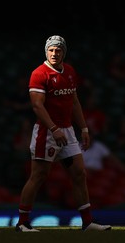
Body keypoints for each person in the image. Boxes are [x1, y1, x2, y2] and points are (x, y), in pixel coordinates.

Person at [15, 35, 111, 232]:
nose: (54, 53)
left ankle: (87, 223)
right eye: (51, 50)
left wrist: (83, 128)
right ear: (46, 51)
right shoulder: (39, 74)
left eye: (58, 50)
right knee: (38, 176)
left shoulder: (69, 72)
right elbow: (37, 106)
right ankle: (22, 223)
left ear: (63, 52)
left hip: (67, 131)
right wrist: (54, 129)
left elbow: (74, 101)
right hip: (46, 132)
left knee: (79, 173)